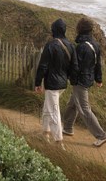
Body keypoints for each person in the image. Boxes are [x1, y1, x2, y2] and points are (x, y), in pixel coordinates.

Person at [63, 17, 106, 147]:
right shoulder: (95, 44)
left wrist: (69, 77)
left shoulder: (81, 47)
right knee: (72, 105)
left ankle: (102, 135)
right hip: (88, 79)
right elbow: (98, 64)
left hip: (80, 81)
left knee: (84, 109)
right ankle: (67, 128)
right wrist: (98, 79)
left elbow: (75, 67)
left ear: (80, 29)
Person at [34, 18, 77, 149]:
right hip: (63, 84)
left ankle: (59, 141)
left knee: (53, 111)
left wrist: (37, 82)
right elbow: (74, 66)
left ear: (54, 30)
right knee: (48, 106)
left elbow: (43, 66)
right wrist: (71, 79)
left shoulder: (51, 45)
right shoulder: (70, 45)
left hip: (52, 84)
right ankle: (45, 132)